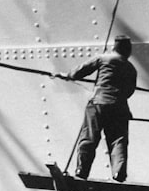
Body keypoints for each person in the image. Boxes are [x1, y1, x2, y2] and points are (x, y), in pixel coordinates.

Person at [59, 35, 137, 182]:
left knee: (89, 137)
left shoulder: (103, 58)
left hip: (98, 104)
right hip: (120, 108)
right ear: (128, 51)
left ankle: (82, 170)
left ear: (114, 47)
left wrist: (67, 75)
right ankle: (118, 172)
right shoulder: (131, 68)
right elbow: (130, 91)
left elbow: (78, 72)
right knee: (118, 140)